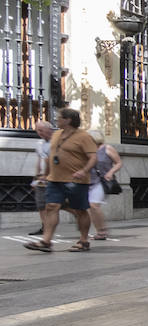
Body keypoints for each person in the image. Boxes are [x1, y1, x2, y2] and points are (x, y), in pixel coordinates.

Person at [25, 108, 97, 253]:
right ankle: (46, 241)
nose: (56, 120)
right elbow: (51, 156)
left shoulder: (84, 136)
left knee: (80, 210)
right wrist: (45, 174)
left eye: (59, 118)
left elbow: (93, 157)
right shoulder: (56, 134)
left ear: (68, 120)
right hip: (54, 179)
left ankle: (84, 241)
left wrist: (84, 171)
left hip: (76, 180)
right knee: (51, 206)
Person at [85, 129, 122, 241]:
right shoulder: (87, 150)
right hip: (88, 181)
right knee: (89, 208)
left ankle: (102, 230)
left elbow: (119, 163)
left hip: (102, 181)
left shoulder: (107, 148)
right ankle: (98, 231)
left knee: (93, 205)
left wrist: (111, 172)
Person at [28, 120, 54, 236]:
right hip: (42, 178)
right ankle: (45, 227)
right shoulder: (39, 144)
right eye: (38, 130)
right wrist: (36, 177)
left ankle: (79, 217)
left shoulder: (56, 142)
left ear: (49, 129)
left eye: (41, 130)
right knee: (41, 203)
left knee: (61, 204)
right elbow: (39, 161)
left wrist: (48, 175)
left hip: (54, 178)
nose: (39, 133)